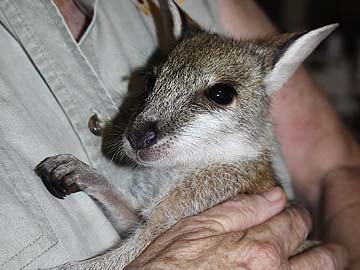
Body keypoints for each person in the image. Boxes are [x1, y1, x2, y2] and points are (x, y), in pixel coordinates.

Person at [0, 0, 358, 269]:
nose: (140, 129)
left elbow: (142, 241)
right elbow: (152, 234)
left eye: (218, 96)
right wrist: (99, 185)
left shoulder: (230, 176)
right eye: (154, 83)